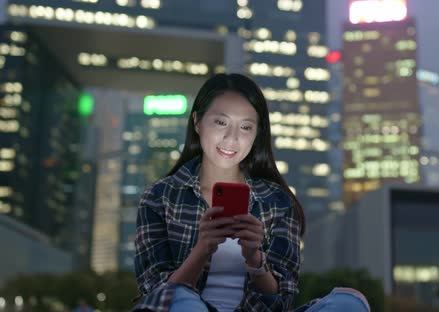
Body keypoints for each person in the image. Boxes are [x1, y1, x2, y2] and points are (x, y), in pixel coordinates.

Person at [132, 73, 370, 312]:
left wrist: (255, 259)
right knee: (181, 301)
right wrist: (202, 249)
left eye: (245, 127)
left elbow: (282, 301)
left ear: (256, 135)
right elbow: (156, 297)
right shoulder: (160, 197)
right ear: (197, 122)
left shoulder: (278, 202)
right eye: (221, 122)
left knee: (349, 302)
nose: (232, 138)